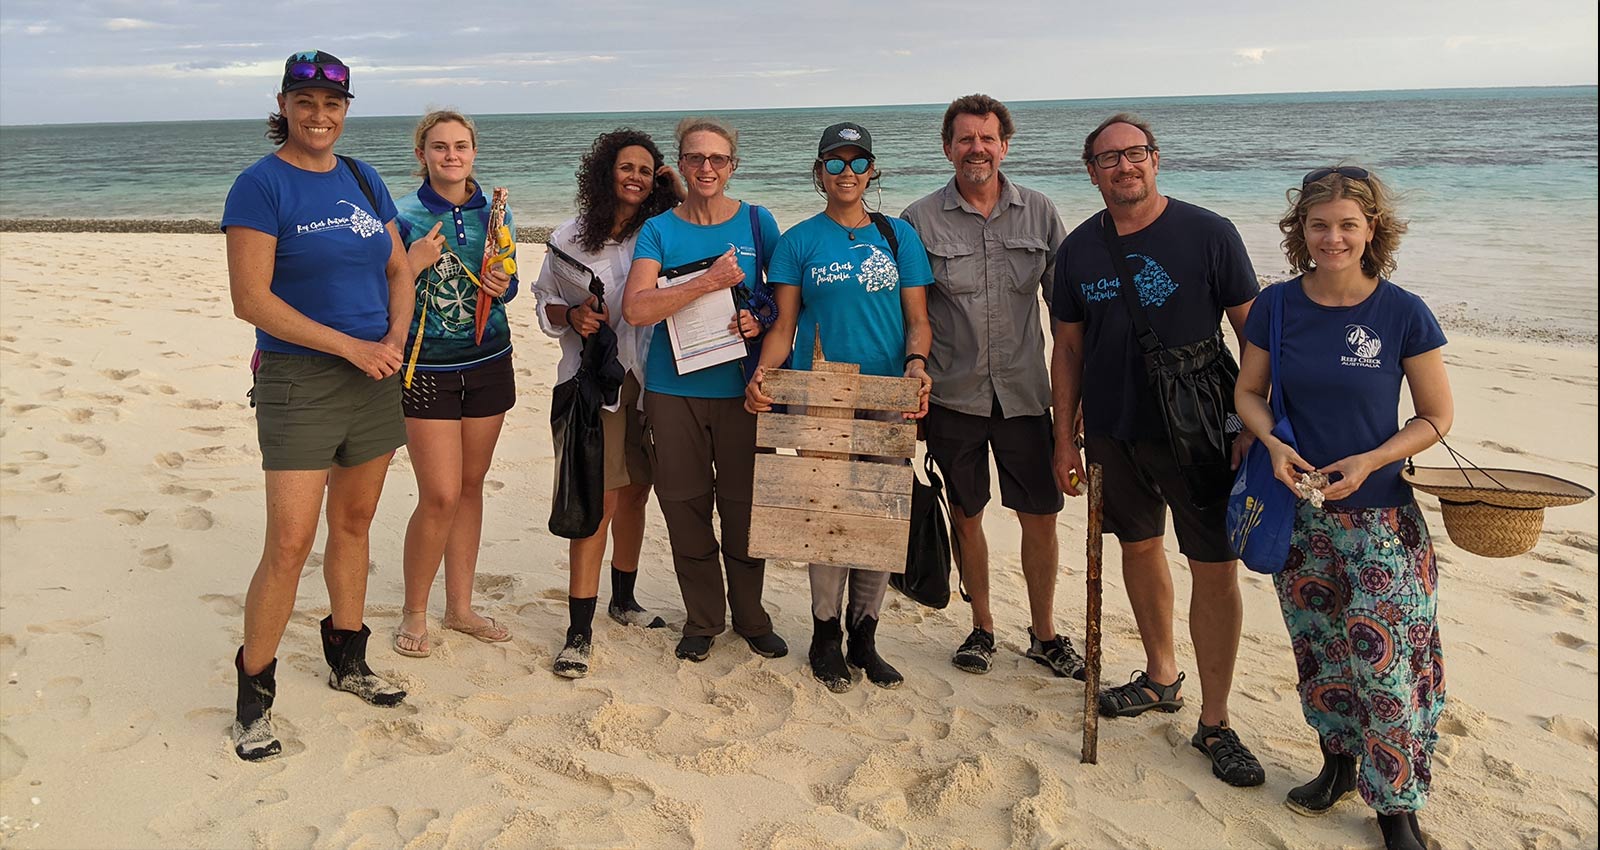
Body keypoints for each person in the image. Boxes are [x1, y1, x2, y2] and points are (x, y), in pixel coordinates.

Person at [1235, 166, 1450, 850]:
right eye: (1319, 225)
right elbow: (1249, 392)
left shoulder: (1403, 311)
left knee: (1388, 664)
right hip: (1301, 512)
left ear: (1372, 231)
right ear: (1300, 231)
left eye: (1347, 225)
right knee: (1319, 648)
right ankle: (1337, 765)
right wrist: (1270, 443)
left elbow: (1438, 415)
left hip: (1383, 517)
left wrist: (1373, 459)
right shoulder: (1275, 305)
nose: (1333, 238)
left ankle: (1397, 808)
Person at [1050, 113, 1263, 786]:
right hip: (1113, 430)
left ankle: (1218, 721)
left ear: (1155, 158)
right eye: (1108, 159)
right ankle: (1162, 676)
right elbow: (1069, 349)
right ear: (1091, 172)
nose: (1123, 167)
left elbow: (1254, 336)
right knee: (1137, 547)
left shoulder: (1208, 232)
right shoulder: (1079, 251)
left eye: (1134, 153)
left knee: (1213, 566)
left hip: (1200, 429)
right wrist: (1064, 438)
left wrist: (1256, 424)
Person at [222, 50, 412, 761]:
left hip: (374, 377)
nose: (319, 115)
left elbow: (398, 269)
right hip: (299, 381)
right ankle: (253, 697)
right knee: (290, 543)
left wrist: (392, 336)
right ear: (284, 105)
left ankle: (349, 662)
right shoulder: (259, 185)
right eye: (306, 102)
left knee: (356, 522)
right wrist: (349, 347)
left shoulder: (363, 178)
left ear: (346, 109)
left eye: (332, 104)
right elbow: (252, 300)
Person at [744, 122, 934, 692]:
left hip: (885, 393)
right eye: (835, 162)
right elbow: (783, 324)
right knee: (825, 514)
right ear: (819, 172)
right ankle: (824, 633)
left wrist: (918, 368)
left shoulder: (899, 236)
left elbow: (918, 321)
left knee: (875, 514)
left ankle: (865, 634)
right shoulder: (799, 241)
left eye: (857, 162)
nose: (846, 172)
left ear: (872, 171)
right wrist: (765, 376)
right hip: (820, 390)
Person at [900, 94, 1083, 680]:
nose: (976, 149)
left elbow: (1067, 316)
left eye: (987, 138)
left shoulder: (1041, 212)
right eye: (964, 139)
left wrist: (1079, 401)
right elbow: (912, 315)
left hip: (1027, 396)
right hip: (952, 396)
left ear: (1004, 145)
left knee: (1040, 516)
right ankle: (981, 626)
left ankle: (1045, 633)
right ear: (947, 146)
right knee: (968, 513)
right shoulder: (918, 220)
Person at [621, 117, 785, 663]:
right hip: (673, 391)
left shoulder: (760, 224)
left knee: (743, 511)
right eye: (696, 158)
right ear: (682, 164)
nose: (707, 168)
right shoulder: (660, 231)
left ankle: (751, 617)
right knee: (685, 506)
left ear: (733, 165)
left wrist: (757, 323)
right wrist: (707, 283)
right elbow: (637, 307)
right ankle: (703, 619)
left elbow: (782, 305)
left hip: (744, 391)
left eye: (717, 159)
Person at [533, 129, 683, 678]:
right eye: (627, 168)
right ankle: (578, 629)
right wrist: (570, 317)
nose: (636, 178)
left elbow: (708, 227)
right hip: (593, 384)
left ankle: (625, 599)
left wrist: (678, 185)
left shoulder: (663, 231)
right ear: (604, 172)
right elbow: (544, 300)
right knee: (598, 500)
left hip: (655, 378)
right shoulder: (569, 237)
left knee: (637, 493)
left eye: (647, 170)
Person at [389, 110, 518, 658]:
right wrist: (411, 265)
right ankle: (414, 611)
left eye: (460, 146)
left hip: (489, 359)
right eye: (439, 147)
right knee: (439, 494)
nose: (451, 155)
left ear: (473, 152)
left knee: (470, 486)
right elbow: (382, 293)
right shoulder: (402, 216)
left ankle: (459, 607)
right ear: (422, 155)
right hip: (426, 368)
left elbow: (505, 280)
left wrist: (503, 284)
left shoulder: (496, 212)